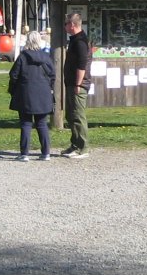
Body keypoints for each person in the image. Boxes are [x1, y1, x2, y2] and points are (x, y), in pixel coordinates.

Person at [7, 30, 55, 162]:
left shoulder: (22, 57)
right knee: (42, 124)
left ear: (27, 40)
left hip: (25, 93)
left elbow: (13, 75)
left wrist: (13, 90)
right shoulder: (46, 57)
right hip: (43, 94)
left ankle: (24, 154)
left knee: (26, 123)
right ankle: (46, 153)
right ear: (39, 41)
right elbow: (52, 76)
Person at [61, 11, 93, 159]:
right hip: (71, 83)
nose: (65, 27)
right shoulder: (75, 39)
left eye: (66, 24)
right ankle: (75, 144)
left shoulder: (80, 42)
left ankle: (83, 148)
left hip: (78, 85)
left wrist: (78, 84)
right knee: (70, 114)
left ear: (72, 25)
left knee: (78, 115)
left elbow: (82, 66)